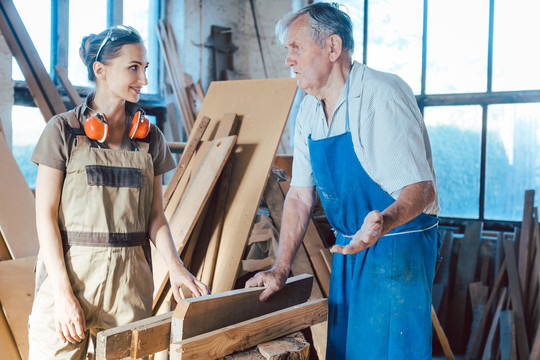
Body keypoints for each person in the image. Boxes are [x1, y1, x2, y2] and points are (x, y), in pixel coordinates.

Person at [246, 3, 440, 359]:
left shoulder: (381, 95)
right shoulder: (308, 109)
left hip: (396, 247)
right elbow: (301, 197)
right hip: (349, 248)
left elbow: (421, 189)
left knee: (386, 351)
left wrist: (385, 222)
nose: (289, 60)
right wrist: (280, 267)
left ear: (332, 48)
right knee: (345, 349)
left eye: (296, 48)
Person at [28, 25, 209, 359]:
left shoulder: (150, 139)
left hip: (129, 290)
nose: (143, 79)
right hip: (68, 283)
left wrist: (175, 266)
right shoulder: (63, 132)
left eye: (145, 68)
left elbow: (155, 216)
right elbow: (45, 218)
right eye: (133, 68)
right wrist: (63, 295)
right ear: (101, 70)